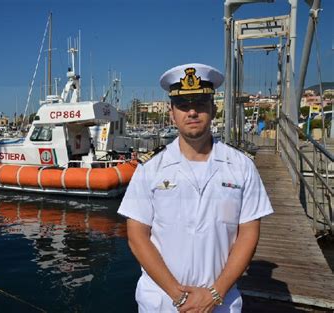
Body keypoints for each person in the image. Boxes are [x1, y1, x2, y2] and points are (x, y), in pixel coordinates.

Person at [117, 63, 273, 312]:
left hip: (219, 303)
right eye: (183, 105)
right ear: (172, 113)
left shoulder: (241, 166)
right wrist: (177, 295)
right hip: (162, 302)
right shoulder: (150, 169)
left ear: (213, 109)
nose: (191, 112)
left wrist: (214, 293)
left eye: (200, 104)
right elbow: (137, 236)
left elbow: (249, 234)